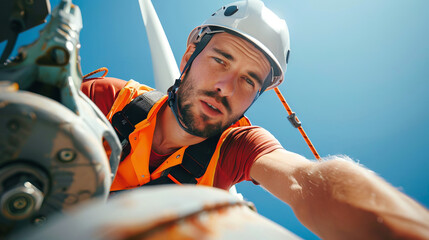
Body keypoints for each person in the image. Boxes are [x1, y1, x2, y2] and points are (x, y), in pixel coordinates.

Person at [81, 0, 429, 239]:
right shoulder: (112, 99)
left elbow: (307, 180)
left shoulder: (240, 147)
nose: (225, 87)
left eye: (248, 80)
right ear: (190, 53)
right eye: (221, 60)